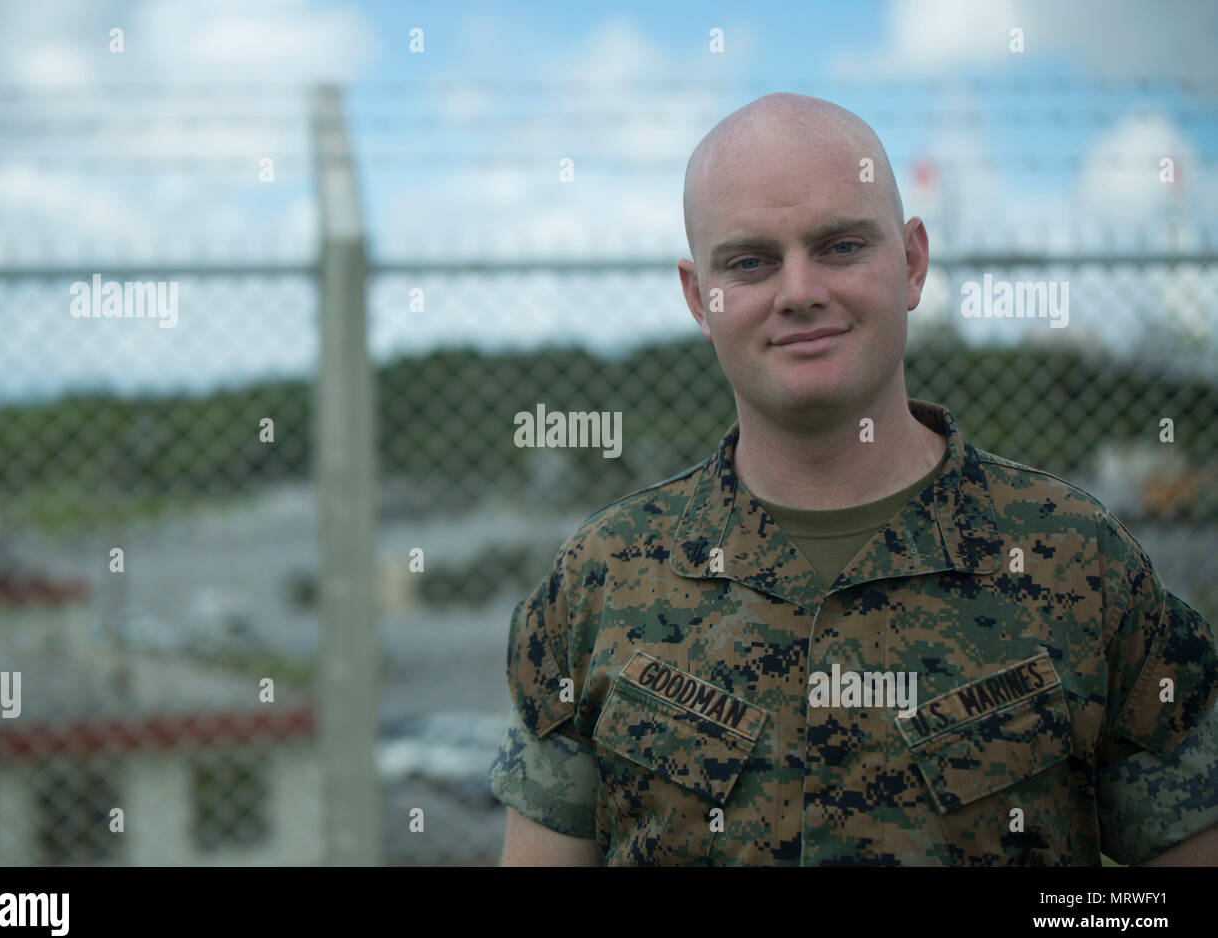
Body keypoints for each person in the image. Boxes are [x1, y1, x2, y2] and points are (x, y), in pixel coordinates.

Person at [488, 92, 1218, 866]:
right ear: (700, 298)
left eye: (840, 247)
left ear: (910, 264)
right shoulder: (600, 579)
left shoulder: (1081, 561)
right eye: (750, 262)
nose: (799, 290)